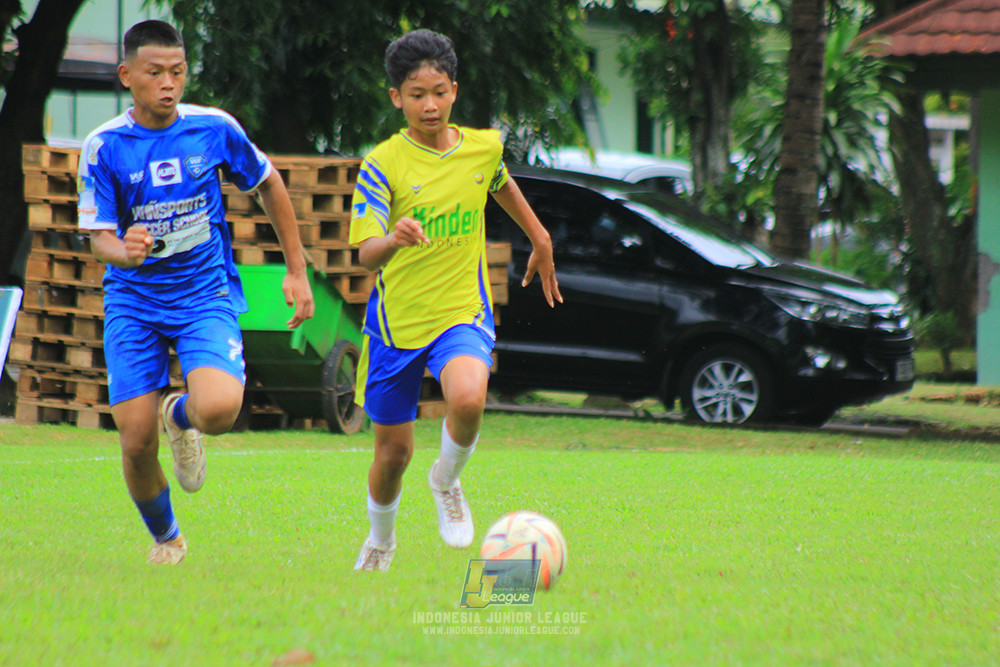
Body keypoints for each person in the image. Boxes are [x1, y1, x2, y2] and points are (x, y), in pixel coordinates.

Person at [77, 20, 314, 565]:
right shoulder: (104, 146)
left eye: (178, 72)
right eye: (155, 73)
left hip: (203, 295)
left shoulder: (213, 129)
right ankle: (168, 539)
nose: (168, 84)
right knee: (134, 442)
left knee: (220, 409)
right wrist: (125, 249)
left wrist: (296, 269)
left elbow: (268, 183)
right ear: (126, 76)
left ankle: (178, 417)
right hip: (134, 305)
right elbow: (99, 241)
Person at [349, 29, 562, 572]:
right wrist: (392, 238)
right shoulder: (383, 164)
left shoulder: (481, 147)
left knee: (468, 398)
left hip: (460, 311)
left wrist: (539, 238)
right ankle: (381, 540)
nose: (430, 104)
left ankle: (446, 481)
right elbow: (365, 256)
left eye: (439, 92)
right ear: (396, 97)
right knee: (392, 455)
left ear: (455, 91)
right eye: (417, 94)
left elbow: (499, 183)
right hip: (396, 325)